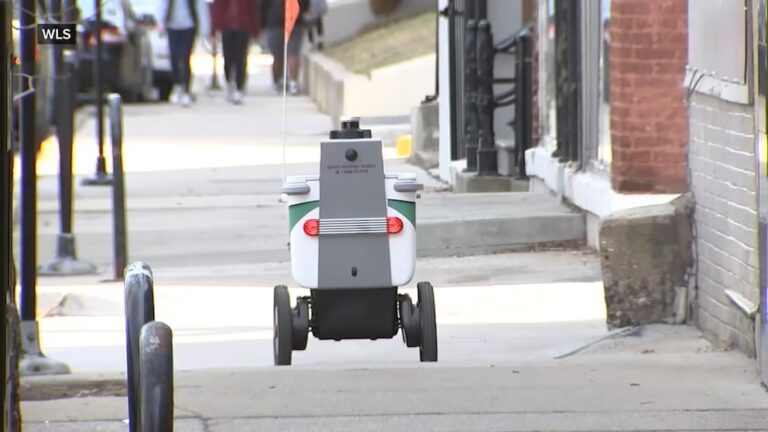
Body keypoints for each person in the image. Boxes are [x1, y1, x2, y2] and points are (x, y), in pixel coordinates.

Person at [159, 0, 211, 107]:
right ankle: (177, 85)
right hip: (172, 26)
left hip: (189, 26)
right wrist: (161, 23)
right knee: (174, 57)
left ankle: (186, 91)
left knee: (185, 57)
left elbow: (200, 7)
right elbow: (163, 4)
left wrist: (204, 30)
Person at [211, 0, 261, 105]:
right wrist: (214, 29)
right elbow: (217, 10)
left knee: (241, 59)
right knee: (228, 58)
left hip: (243, 28)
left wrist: (255, 30)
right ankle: (229, 83)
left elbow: (253, 10)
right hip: (227, 27)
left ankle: (239, 88)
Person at [261, 0, 310, 95]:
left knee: (278, 56)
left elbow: (262, 5)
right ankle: (293, 83)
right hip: (294, 20)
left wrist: (262, 23)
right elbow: (306, 3)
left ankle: (277, 82)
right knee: (293, 53)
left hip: (274, 22)